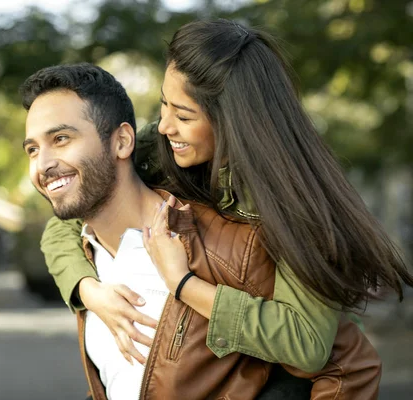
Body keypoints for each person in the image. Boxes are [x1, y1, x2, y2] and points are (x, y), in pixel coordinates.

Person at [20, 61, 382, 399]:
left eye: (62, 139)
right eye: (33, 149)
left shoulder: (240, 241)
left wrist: (183, 284)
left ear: (121, 141)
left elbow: (340, 361)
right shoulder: (87, 246)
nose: (43, 164)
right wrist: (89, 292)